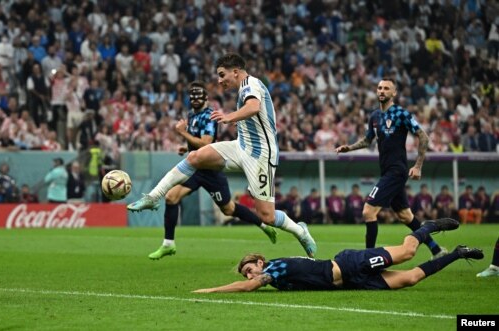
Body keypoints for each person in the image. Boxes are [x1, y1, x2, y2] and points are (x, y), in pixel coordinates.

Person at [128, 53, 316, 257]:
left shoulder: (250, 83)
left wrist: (228, 117)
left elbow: (253, 107)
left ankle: (300, 230)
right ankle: (154, 197)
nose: (219, 80)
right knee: (195, 157)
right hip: (241, 146)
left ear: (235, 72)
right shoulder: (243, 88)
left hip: (260, 155)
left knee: (267, 216)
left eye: (222, 74)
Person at [146, 81, 278, 260]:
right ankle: (168, 244)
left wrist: (182, 133)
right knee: (171, 197)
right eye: (192, 96)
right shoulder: (192, 115)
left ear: (205, 98)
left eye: (198, 96)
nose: (194, 99)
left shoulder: (208, 115)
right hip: (195, 168)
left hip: (210, 170)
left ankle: (264, 225)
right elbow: (198, 143)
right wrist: (186, 148)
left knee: (229, 209)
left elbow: (207, 143)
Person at [193, 218, 484, 293]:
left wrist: (212, 289)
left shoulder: (276, 268)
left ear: (260, 262)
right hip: (352, 282)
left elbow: (248, 287)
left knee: (408, 251)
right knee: (411, 279)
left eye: (250, 270)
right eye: (247, 273)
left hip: (348, 264)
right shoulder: (277, 280)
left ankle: (430, 227)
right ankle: (458, 254)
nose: (250, 275)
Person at [335, 78, 446, 258]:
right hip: (387, 171)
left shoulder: (401, 114)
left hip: (397, 170)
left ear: (393, 93)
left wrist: (418, 166)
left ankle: (367, 259)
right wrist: (350, 147)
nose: (382, 91)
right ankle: (436, 249)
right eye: (379, 88)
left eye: (386, 88)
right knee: (405, 216)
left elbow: (423, 136)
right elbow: (367, 140)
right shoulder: (375, 116)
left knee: (368, 211)